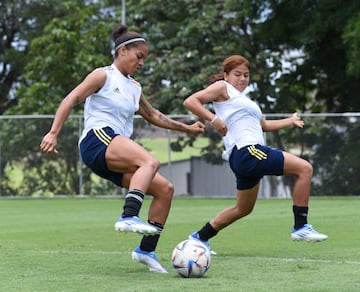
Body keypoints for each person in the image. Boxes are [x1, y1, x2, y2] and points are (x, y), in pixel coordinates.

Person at [40, 24, 205, 273]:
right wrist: (54, 132)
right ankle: (128, 215)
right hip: (97, 140)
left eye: (144, 59)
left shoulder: (134, 87)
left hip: (113, 151)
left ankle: (146, 250)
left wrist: (187, 128)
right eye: (139, 57)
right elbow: (70, 99)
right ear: (124, 50)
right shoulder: (103, 75)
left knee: (165, 190)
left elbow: (155, 116)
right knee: (149, 162)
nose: (141, 63)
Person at [183, 55, 328, 253]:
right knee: (304, 168)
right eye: (237, 74)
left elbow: (265, 126)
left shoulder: (244, 101)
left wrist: (290, 120)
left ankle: (199, 238)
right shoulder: (222, 87)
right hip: (248, 151)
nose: (242, 79)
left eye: (246, 75)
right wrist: (214, 119)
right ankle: (301, 226)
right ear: (226, 75)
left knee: (243, 209)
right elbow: (191, 101)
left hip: (243, 156)